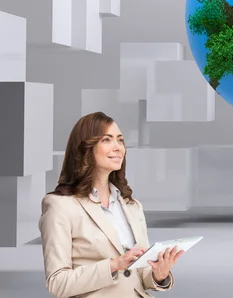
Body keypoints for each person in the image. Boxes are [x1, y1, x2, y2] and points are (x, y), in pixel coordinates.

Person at [39, 111, 185, 297]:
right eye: (107, 140)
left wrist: (159, 274)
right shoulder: (60, 206)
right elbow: (58, 283)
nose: (118, 147)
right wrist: (114, 265)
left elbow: (138, 275)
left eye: (120, 140)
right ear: (86, 148)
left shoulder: (132, 206)